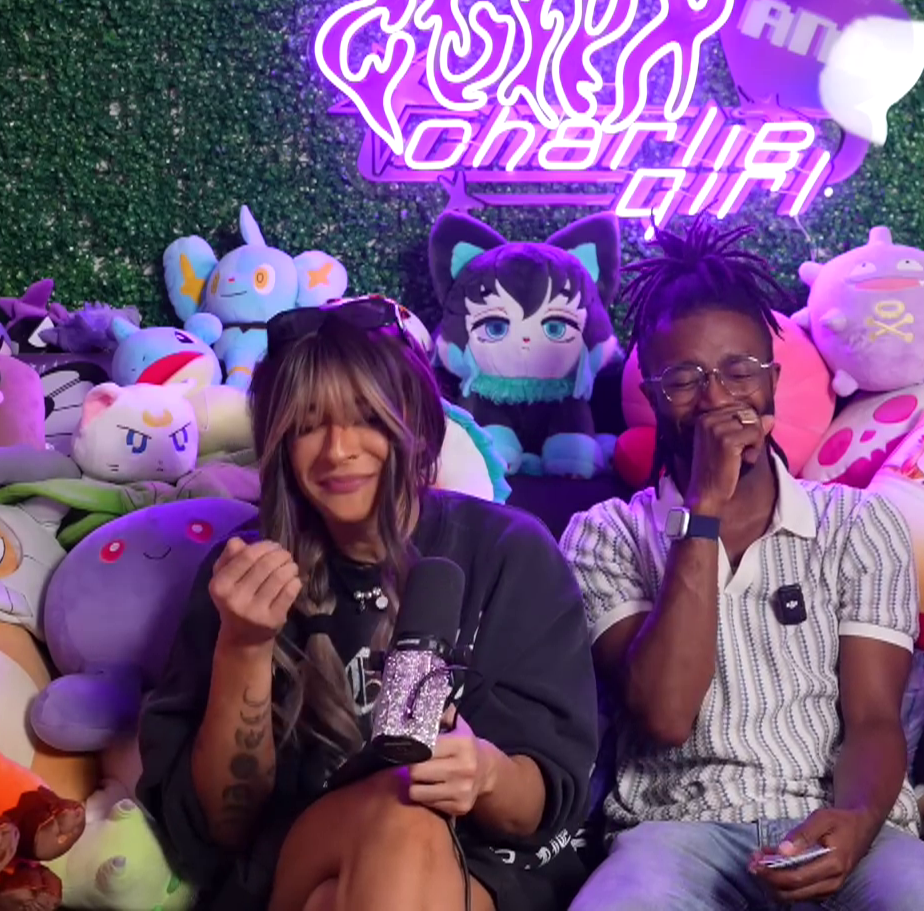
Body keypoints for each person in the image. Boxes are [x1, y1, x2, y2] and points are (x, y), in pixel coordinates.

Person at [561, 222, 924, 911]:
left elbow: (875, 719)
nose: (718, 400)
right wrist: (702, 511)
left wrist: (854, 824)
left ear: (773, 383)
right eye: (685, 380)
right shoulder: (605, 536)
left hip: (838, 820)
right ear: (653, 395)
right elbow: (665, 716)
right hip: (676, 832)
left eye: (739, 373)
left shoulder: (858, 523)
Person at [134, 297, 600, 911]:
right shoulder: (244, 571)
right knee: (402, 815)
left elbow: (543, 801)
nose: (337, 450)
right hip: (303, 854)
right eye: (307, 425)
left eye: (366, 418)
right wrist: (243, 647)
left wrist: (485, 775)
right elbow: (226, 829)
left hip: (482, 874)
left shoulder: (509, 553)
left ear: (417, 423)